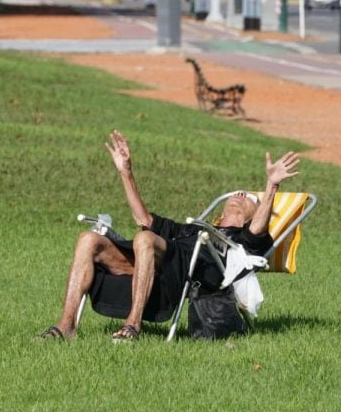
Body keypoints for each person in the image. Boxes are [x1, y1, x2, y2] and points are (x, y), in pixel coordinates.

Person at [38, 130, 300, 341]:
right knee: (89, 239)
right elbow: (144, 220)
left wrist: (271, 185)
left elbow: (259, 228)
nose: (240, 195)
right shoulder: (193, 228)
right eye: (237, 193)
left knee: (144, 239)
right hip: (159, 260)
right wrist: (125, 172)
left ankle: (132, 325)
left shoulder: (244, 240)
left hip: (193, 270)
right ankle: (66, 326)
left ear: (255, 214)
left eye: (250, 198)